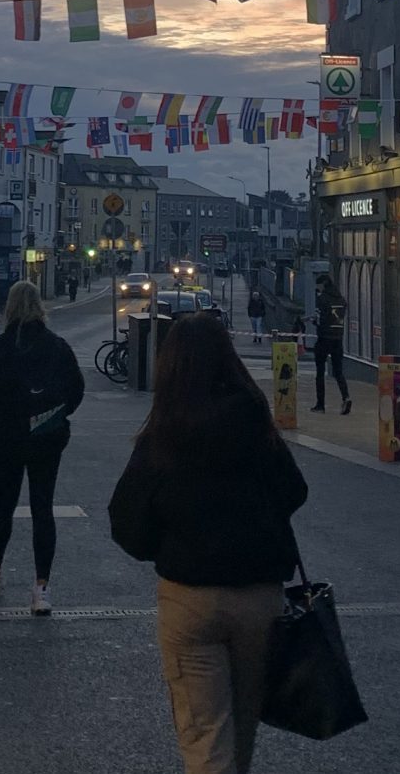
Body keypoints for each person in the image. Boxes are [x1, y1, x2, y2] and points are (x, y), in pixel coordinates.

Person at [110, 314, 308, 774]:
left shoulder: (166, 431)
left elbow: (127, 519)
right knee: (241, 730)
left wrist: (167, 547)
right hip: (259, 596)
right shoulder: (254, 420)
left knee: (205, 737)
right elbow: (294, 491)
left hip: (191, 596)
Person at [0, 281, 85, 616]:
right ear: (40, 306)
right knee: (42, 508)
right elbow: (76, 390)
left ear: (10, 307)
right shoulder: (57, 347)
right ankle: (41, 588)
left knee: (3, 505)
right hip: (47, 439)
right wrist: (53, 418)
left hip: (6, 440)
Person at [312, 280, 351, 416]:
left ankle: (320, 404)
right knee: (338, 371)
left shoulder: (321, 299)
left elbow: (318, 319)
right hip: (338, 339)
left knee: (320, 372)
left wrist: (314, 322)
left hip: (324, 338)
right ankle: (346, 396)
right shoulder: (342, 300)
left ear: (323, 286)